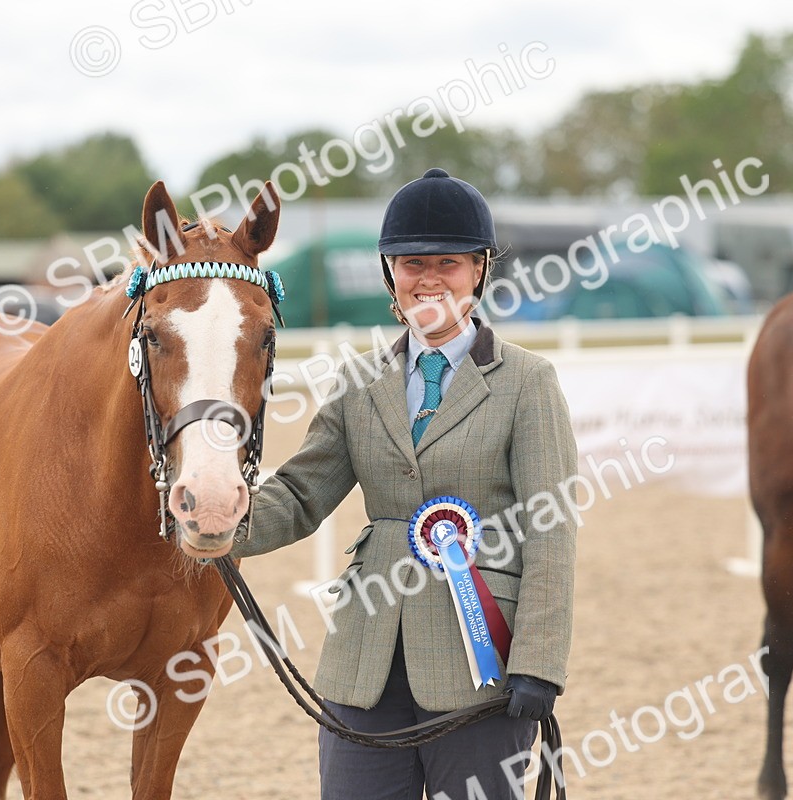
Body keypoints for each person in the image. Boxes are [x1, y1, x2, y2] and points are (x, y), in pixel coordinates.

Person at [232, 168, 577, 800]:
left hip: (481, 665)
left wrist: (539, 663)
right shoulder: (359, 381)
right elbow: (302, 493)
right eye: (413, 262)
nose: (429, 278)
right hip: (364, 656)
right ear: (390, 272)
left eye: (449, 262)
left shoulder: (528, 383)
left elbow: (550, 530)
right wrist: (221, 522)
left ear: (479, 269)